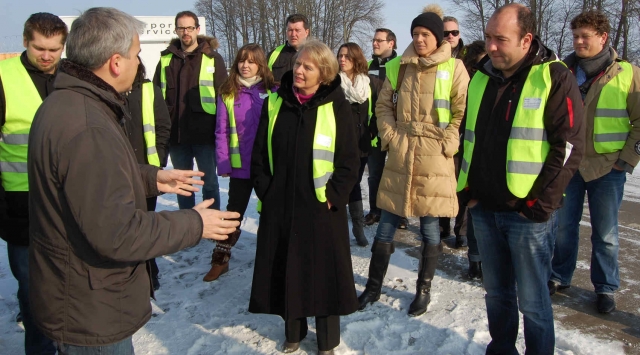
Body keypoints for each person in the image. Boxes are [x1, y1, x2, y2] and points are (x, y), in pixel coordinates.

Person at [27, 8, 240, 354]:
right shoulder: (86, 125)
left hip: (78, 294)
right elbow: (119, 233)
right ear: (115, 62)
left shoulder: (71, 103)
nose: (139, 61)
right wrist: (194, 223)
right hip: (90, 308)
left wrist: (153, 177)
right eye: (135, 53)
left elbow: (91, 178)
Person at [457, 4, 584, 353]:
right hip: (484, 208)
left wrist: (540, 204)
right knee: (496, 294)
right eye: (488, 37)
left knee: (532, 302)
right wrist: (466, 190)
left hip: (527, 215)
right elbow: (467, 137)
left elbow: (569, 148)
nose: (492, 46)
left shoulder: (554, 76)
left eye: (501, 39)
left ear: (526, 40)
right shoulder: (481, 75)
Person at [358, 5, 469, 317]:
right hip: (402, 151)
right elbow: (382, 106)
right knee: (385, 226)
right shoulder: (399, 66)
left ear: (437, 37)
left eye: (426, 34)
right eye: (416, 34)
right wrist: (391, 135)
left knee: (431, 229)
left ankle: (423, 290)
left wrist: (449, 141)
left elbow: (461, 110)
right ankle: (373, 287)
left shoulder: (455, 68)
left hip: (435, 155)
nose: (420, 39)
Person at [249, 40, 360, 355]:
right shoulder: (275, 102)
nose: (298, 70)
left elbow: (350, 160)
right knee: (289, 269)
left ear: (323, 74)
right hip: (281, 204)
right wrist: (267, 192)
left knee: (325, 275)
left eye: (307, 66)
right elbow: (259, 155)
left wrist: (332, 197)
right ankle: (293, 333)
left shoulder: (337, 104)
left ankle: (326, 341)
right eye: (297, 64)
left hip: (321, 207)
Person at [550, 10, 640, 314]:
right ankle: (559, 276)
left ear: (603, 38)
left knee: (606, 233)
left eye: (584, 36)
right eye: (575, 36)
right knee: (563, 227)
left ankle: (605, 288)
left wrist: (625, 161)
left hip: (607, 168)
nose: (578, 41)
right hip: (569, 165)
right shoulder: (562, 70)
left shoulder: (628, 74)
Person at [0, 12, 66, 355]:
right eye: (39, 47)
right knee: (33, 291)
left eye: (54, 49)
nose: (46, 56)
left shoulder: (71, 76)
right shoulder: (4, 77)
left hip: (68, 202)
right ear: (25, 41)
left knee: (69, 288)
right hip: (20, 206)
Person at [209, 43, 276, 281]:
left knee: (271, 212)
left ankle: (271, 258)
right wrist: (224, 163)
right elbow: (221, 130)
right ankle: (221, 259)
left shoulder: (273, 90)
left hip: (267, 166)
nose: (245, 65)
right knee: (232, 213)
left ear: (260, 64)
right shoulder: (227, 91)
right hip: (240, 167)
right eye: (241, 60)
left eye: (251, 61)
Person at [153, 11, 228, 211]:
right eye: (181, 28)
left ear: (197, 29)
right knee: (182, 184)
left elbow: (223, 98)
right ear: (176, 30)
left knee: (209, 183)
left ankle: (211, 220)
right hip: (177, 135)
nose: (185, 32)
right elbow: (156, 97)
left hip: (205, 134)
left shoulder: (213, 59)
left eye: (189, 28)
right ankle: (187, 224)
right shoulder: (166, 60)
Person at [123, 60, 172, 291]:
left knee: (145, 221)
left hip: (148, 172)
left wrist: (159, 160)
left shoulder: (149, 89)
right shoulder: (109, 91)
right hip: (119, 171)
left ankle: (150, 271)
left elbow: (163, 126)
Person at [337, 42, 371, 247]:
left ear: (356, 59)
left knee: (354, 183)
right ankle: (343, 228)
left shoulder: (368, 83)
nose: (342, 59)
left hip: (362, 143)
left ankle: (358, 227)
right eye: (340, 56)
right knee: (344, 183)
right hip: (341, 144)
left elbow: (377, 110)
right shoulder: (333, 83)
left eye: (347, 56)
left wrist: (373, 130)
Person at [365, 28, 398, 227]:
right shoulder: (367, 66)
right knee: (374, 173)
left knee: (397, 173)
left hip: (396, 128)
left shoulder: (401, 65)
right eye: (374, 40)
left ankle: (399, 214)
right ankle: (375, 210)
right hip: (373, 129)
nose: (375, 43)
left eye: (379, 40)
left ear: (391, 43)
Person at [459, 40, 486, 279]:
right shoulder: (472, 83)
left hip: (496, 160)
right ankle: (475, 260)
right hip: (470, 158)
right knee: (474, 211)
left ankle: (484, 260)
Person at [440, 15, 467, 245]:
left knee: (461, 184)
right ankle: (442, 226)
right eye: (446, 33)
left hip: (465, 132)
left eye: (454, 32)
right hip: (440, 132)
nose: (451, 36)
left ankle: (461, 231)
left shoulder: (470, 59)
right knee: (440, 183)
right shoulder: (435, 58)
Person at [267, 14, 310, 82]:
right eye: (290, 30)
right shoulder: (273, 55)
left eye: (297, 30)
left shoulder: (316, 55)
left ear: (307, 32)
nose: (293, 34)